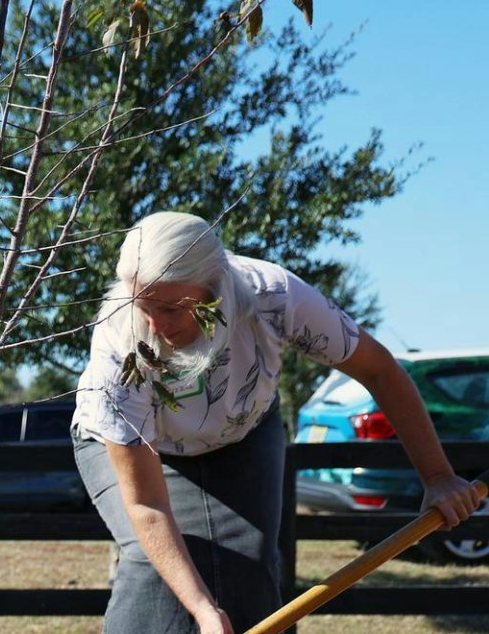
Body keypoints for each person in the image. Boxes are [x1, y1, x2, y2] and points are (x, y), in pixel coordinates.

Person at [72, 212, 483, 634]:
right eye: (143, 306)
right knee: (155, 566)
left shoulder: (275, 297)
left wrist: (438, 476)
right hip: (137, 445)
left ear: (216, 288)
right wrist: (203, 610)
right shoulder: (119, 347)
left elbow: (380, 370)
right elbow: (148, 506)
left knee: (249, 564)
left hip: (241, 432)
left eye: (172, 308)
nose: (155, 327)